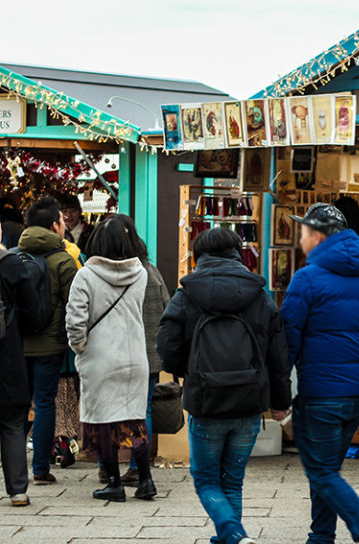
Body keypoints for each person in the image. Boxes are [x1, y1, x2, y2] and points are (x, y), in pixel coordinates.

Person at [157, 227, 291, 544]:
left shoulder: (186, 295)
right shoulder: (260, 297)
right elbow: (278, 355)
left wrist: (189, 372)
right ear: (237, 253)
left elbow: (167, 348)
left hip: (206, 401)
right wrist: (280, 402)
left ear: (199, 255)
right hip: (249, 400)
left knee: (205, 479)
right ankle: (231, 537)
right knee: (233, 480)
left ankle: (232, 534)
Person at [281, 203, 359, 544]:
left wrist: (277, 389)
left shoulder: (306, 279)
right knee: (326, 469)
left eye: (303, 231)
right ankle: (320, 535)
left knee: (323, 471)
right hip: (354, 397)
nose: (300, 237)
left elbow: (287, 336)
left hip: (319, 394)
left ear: (317, 237)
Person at [64, 214, 154, 502]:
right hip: (134, 358)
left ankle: (114, 482)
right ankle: (146, 481)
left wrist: (80, 347)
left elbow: (75, 321)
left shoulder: (86, 276)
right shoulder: (140, 273)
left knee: (105, 422)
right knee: (133, 419)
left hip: (100, 359)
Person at [97, 216, 170, 485]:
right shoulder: (150, 271)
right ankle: (138, 467)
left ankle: (108, 465)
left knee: (108, 410)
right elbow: (166, 309)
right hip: (148, 354)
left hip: (110, 354)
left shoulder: (101, 275)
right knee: (143, 409)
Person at [18, 196, 78, 485]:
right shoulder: (63, 259)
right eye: (63, 221)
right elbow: (76, 304)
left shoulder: (13, 256)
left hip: (16, 344)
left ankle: (14, 468)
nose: (65, 225)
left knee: (16, 405)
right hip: (51, 345)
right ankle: (40, 469)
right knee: (44, 403)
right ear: (55, 224)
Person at [0, 244, 40, 507]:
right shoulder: (12, 264)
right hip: (8, 352)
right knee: (13, 422)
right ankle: (17, 491)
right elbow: (32, 310)